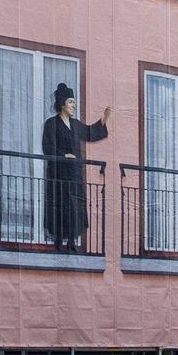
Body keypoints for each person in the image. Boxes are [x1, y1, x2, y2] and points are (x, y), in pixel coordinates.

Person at [41, 84, 110, 250]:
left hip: (74, 174)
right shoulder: (51, 124)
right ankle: (57, 241)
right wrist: (63, 156)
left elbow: (90, 132)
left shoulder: (76, 124)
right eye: (71, 102)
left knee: (74, 206)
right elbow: (47, 146)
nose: (73, 105)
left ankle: (71, 241)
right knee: (58, 205)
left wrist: (104, 120)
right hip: (58, 173)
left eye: (74, 102)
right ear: (62, 104)